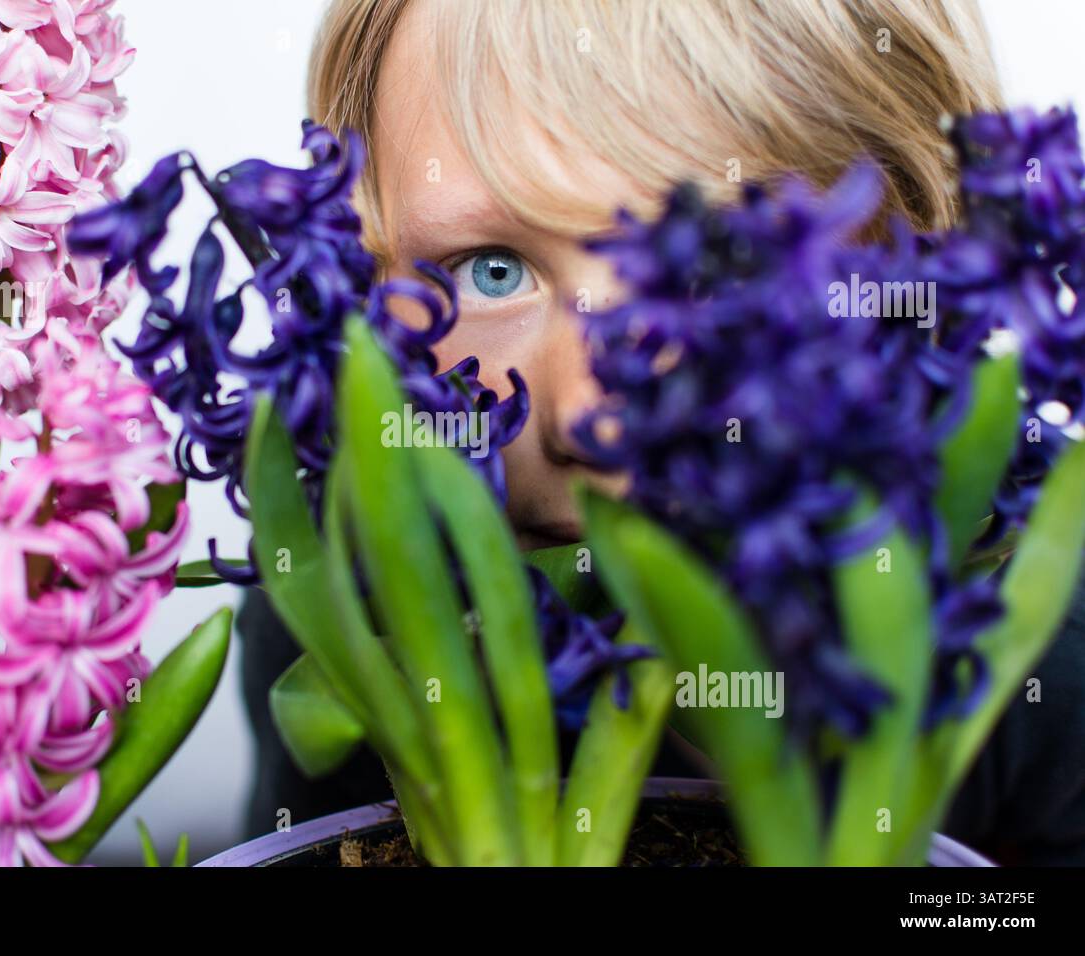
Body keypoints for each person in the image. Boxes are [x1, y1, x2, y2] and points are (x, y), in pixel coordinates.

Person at [238, 0, 1085, 864]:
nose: (589, 416)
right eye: (490, 271)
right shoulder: (355, 586)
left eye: (722, 270)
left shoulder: (1045, 617)